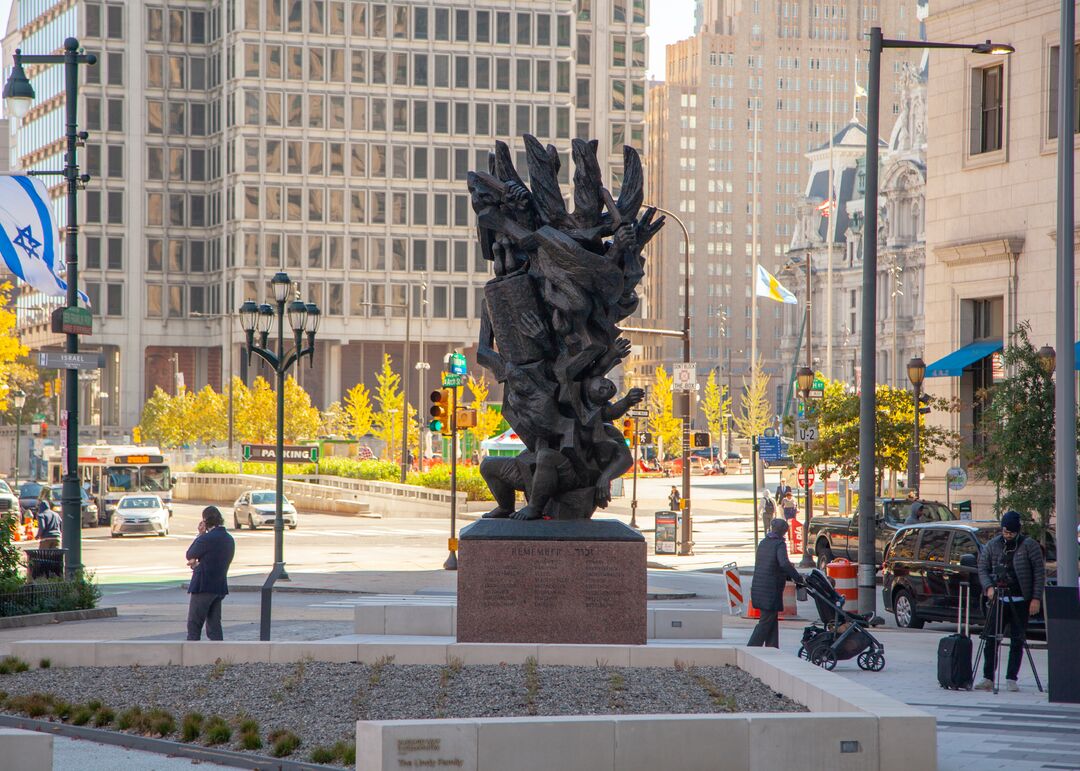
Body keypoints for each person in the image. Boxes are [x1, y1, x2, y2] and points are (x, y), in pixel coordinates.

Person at [974, 510, 1045, 692]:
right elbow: (982, 567)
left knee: (1017, 639)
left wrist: (1036, 598)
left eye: (1011, 533)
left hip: (1021, 599)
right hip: (999, 598)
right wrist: (989, 587)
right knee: (990, 639)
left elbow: (1039, 572)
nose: (1008, 535)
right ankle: (988, 677)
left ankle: (1011, 678)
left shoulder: (1029, 545)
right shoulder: (994, 545)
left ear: (1018, 531)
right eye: (1005, 532)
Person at [748, 518, 804, 647]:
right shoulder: (779, 544)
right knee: (766, 621)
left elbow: (770, 564)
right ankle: (751, 649)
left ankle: (772, 647)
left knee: (771, 619)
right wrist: (797, 577)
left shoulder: (763, 543)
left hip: (759, 587)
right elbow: (784, 564)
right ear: (783, 532)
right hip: (771, 589)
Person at [185, 506, 236, 641]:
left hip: (203, 586)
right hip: (219, 586)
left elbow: (190, 554)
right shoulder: (229, 539)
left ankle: (193, 657)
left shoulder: (206, 538)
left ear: (205, 522)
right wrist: (198, 565)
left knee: (194, 625)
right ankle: (217, 657)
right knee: (214, 626)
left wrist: (200, 535)